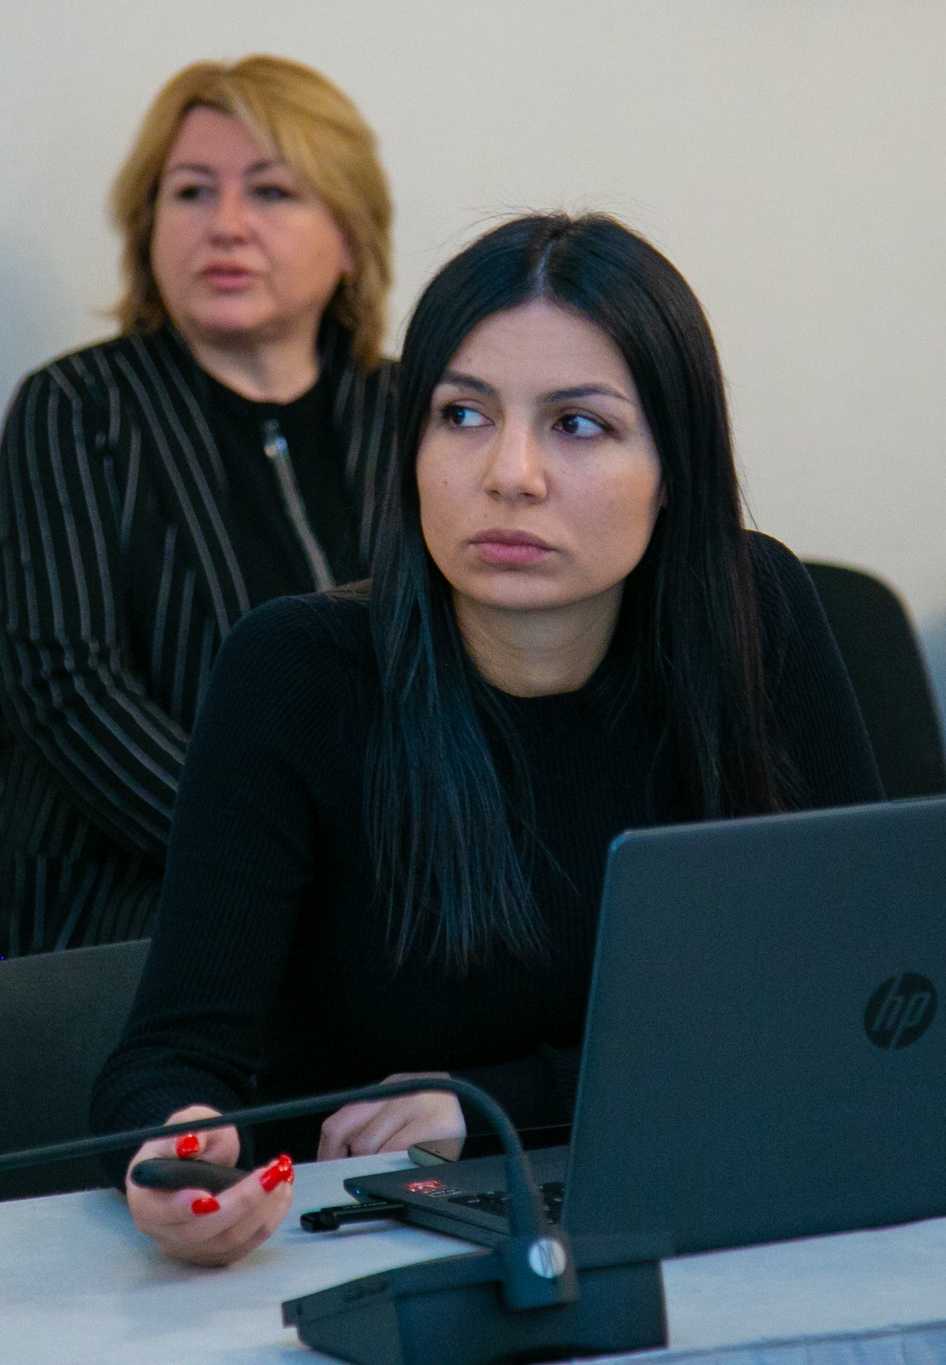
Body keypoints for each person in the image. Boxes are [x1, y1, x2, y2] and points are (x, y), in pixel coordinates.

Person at [90, 212, 885, 1266]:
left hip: (719, 1210)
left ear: (675, 467)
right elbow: (168, 1056)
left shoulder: (754, 614)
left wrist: (490, 1103)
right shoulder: (295, 673)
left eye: (578, 425)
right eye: (461, 415)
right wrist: (174, 1147)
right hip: (370, 1245)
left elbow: (860, 993)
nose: (510, 473)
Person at [0, 56, 400, 959]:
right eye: (192, 192)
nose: (227, 225)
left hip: (397, 893)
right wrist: (285, 860)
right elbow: (69, 691)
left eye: (273, 192)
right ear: (148, 231)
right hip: (144, 906)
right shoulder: (75, 410)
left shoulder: (417, 412)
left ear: (350, 238)